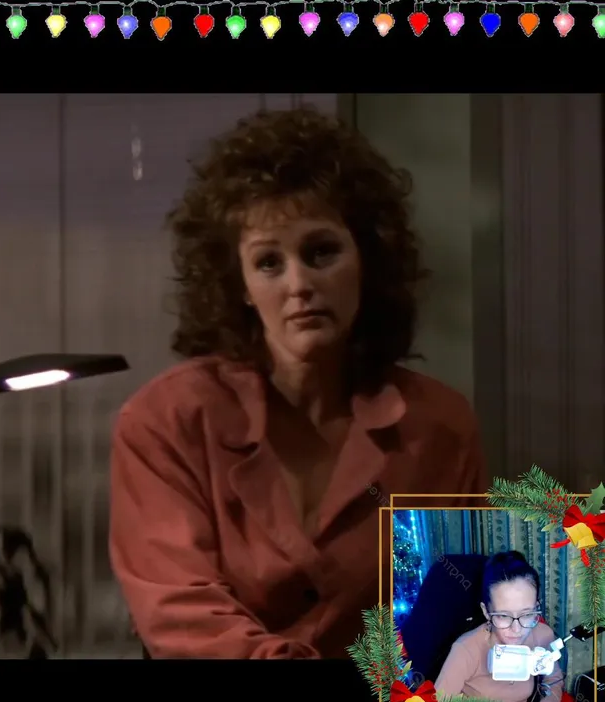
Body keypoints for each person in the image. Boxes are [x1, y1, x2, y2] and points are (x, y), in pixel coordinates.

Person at [109, 106, 490, 659]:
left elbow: (452, 621)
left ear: (366, 258)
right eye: (269, 263)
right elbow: (180, 614)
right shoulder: (168, 420)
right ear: (240, 286)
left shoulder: (438, 430)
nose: (299, 284)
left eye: (321, 253)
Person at [435, 552, 562, 702]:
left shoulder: (542, 635)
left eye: (527, 614)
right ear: (486, 612)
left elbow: (554, 679)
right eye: (503, 616)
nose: (516, 629)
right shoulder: (466, 650)